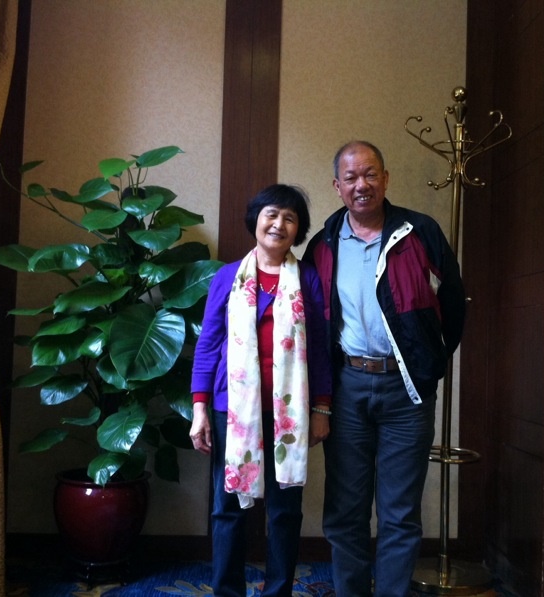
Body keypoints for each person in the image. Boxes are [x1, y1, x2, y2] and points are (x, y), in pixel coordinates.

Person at [303, 141, 466, 597]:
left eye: (370, 174)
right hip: (347, 389)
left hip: (406, 390)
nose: (362, 185)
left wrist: (431, 361)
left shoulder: (420, 232)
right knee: (346, 509)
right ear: (337, 186)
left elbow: (453, 300)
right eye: (351, 177)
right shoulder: (323, 244)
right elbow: (314, 322)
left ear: (386, 178)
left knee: (399, 512)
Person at [189, 183, 332, 597]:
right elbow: (208, 345)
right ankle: (227, 591)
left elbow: (319, 348)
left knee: (285, 511)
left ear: (298, 229)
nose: (279, 224)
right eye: (271, 214)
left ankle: (278, 592)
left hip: (290, 413)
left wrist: (322, 408)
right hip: (231, 410)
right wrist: (199, 408)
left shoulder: (307, 278)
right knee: (228, 507)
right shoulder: (227, 277)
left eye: (290, 218)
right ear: (256, 220)